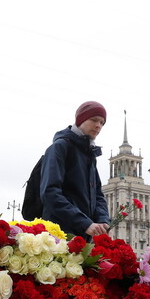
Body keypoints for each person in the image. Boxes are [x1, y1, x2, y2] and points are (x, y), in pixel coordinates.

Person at [39, 101, 110, 240]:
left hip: (84, 235)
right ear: (80, 120)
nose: (98, 126)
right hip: (59, 235)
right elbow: (49, 192)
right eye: (94, 120)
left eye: (102, 122)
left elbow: (98, 195)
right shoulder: (60, 147)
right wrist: (85, 223)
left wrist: (103, 221)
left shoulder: (89, 153)